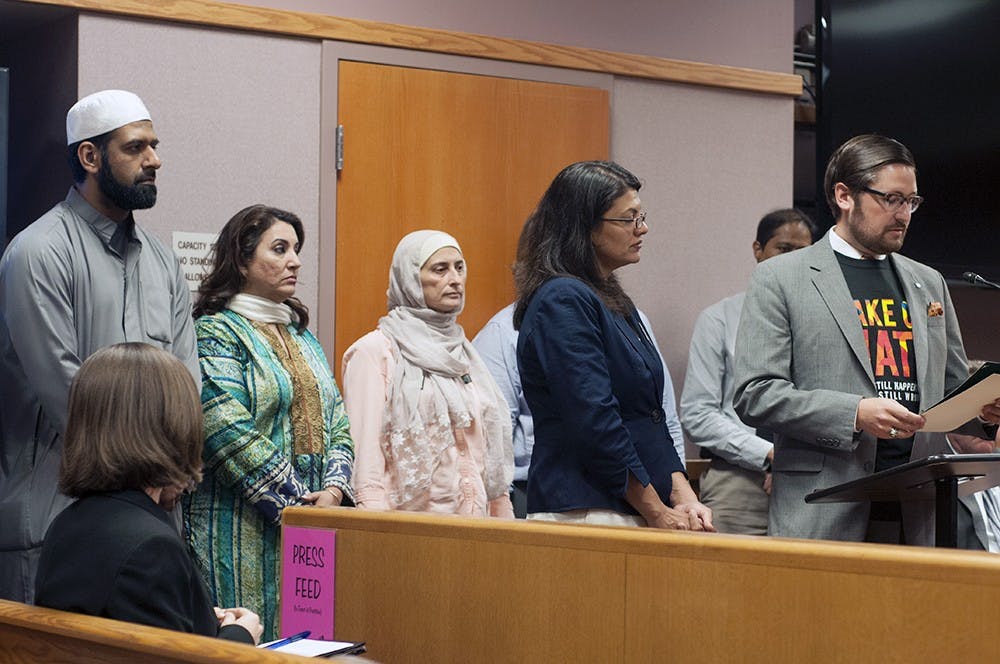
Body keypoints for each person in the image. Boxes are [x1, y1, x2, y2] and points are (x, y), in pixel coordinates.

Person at [733, 134, 1000, 546]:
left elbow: (949, 392)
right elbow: (755, 393)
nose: (904, 214)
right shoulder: (781, 278)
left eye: (912, 202)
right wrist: (854, 412)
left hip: (920, 509)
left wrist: (983, 409)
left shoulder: (927, 282)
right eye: (891, 199)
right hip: (825, 507)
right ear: (844, 195)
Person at [0, 89, 197, 602]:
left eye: (153, 145)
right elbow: (67, 390)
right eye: (135, 148)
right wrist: (155, 472)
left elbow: (185, 382)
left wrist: (172, 473)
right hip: (57, 518)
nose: (154, 159)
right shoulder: (38, 252)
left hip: (154, 521)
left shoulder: (162, 261)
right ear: (90, 157)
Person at [182, 204, 354, 641]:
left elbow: (336, 416)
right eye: (280, 249)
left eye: (296, 249)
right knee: (248, 641)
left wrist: (333, 491)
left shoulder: (301, 334)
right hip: (238, 526)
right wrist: (297, 504)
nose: (294, 260)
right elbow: (223, 425)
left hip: (309, 528)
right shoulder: (215, 331)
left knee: (306, 643)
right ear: (241, 260)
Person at [514, 160, 713, 530]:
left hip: (634, 504)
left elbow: (648, 418)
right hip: (587, 508)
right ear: (586, 226)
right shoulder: (562, 300)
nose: (643, 228)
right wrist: (656, 510)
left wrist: (683, 496)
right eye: (629, 219)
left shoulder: (610, 298)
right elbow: (595, 421)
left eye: (642, 216)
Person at [34, 343, 262, 644]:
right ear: (174, 427)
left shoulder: (64, 526)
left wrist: (200, 617)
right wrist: (241, 635)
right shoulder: (152, 549)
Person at [342, 230, 514, 517]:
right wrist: (371, 531)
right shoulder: (374, 352)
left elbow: (486, 453)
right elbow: (367, 463)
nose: (455, 279)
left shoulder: (463, 354)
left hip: (476, 527)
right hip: (410, 531)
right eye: (440, 269)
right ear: (409, 279)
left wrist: (502, 519)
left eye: (460, 268)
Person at [474, 303, 686, 518]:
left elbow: (662, 416)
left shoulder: (629, 317)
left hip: (645, 489)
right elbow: (494, 436)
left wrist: (679, 496)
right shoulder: (504, 329)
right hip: (555, 494)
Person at [680, 208, 815, 535]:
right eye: (783, 249)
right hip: (739, 480)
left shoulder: (822, 325)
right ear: (758, 250)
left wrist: (791, 460)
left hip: (811, 481)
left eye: (803, 252)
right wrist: (769, 454)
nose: (792, 260)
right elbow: (698, 413)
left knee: (807, 584)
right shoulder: (719, 319)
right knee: (728, 582)